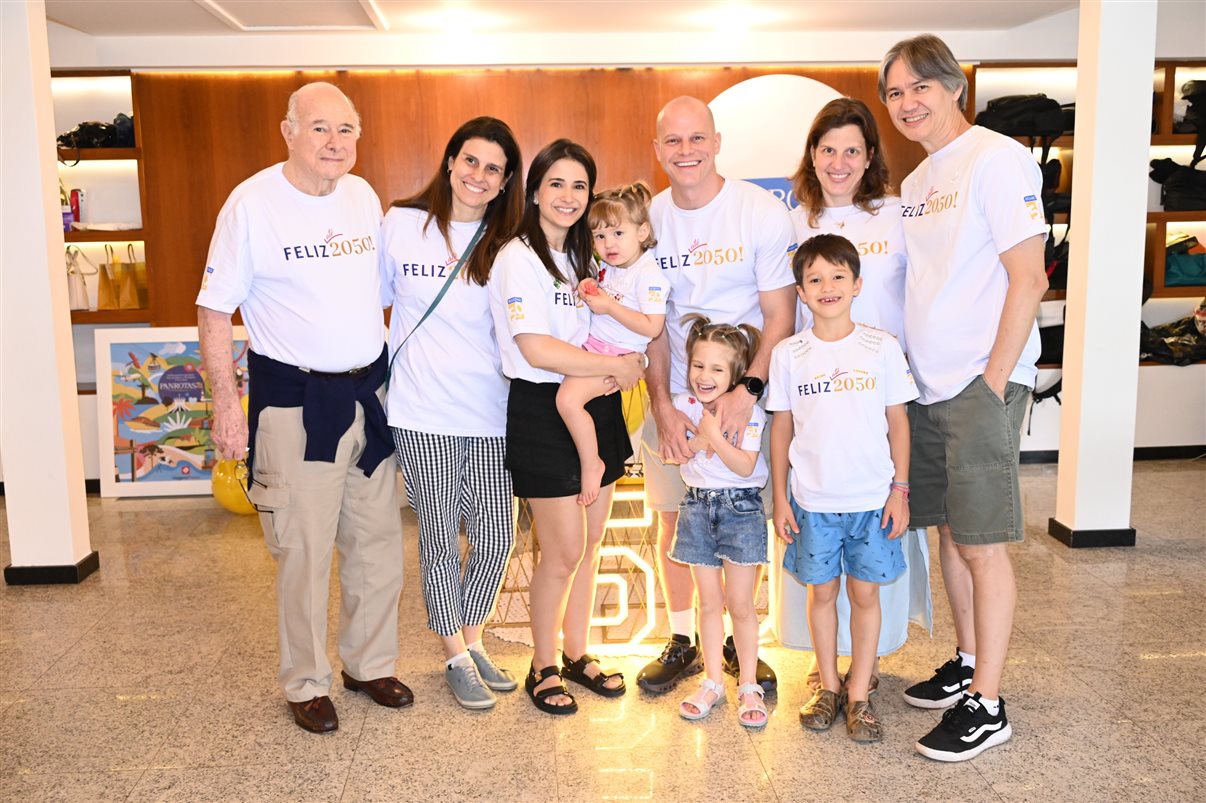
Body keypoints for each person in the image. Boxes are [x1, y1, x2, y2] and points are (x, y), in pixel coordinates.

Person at [197, 82, 411, 734]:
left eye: (346, 130)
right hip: (294, 402)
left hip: (364, 394)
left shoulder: (362, 195)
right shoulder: (252, 204)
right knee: (304, 548)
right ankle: (306, 680)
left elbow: (377, 294)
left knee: (376, 542)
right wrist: (226, 406)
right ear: (287, 129)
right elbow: (213, 309)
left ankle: (368, 663)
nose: (334, 143)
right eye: (320, 128)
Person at [879, 34, 1049, 761]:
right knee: (947, 534)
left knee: (982, 544)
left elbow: (1030, 276)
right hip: (929, 387)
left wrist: (992, 379)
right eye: (893, 93)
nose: (906, 102)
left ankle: (990, 700)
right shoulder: (917, 183)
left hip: (981, 383)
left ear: (955, 89)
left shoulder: (998, 156)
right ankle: (967, 660)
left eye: (920, 86)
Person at [638, 96, 797, 694]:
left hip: (745, 401)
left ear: (717, 141)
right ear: (657, 150)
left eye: (696, 139)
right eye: (673, 142)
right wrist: (661, 405)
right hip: (676, 399)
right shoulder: (649, 220)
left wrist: (748, 391)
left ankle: (736, 644)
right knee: (675, 520)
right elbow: (651, 324)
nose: (686, 152)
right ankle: (684, 639)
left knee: (738, 522)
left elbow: (780, 314)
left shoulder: (758, 211)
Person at [487, 139, 646, 714]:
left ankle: (578, 654)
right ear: (534, 190)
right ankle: (542, 664)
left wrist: (628, 362)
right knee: (561, 551)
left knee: (591, 545)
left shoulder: (590, 256)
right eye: (557, 183)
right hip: (542, 410)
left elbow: (626, 324)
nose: (569, 196)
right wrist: (615, 366)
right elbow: (535, 347)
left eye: (580, 185)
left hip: (596, 405)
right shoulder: (517, 257)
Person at [786, 97, 932, 694]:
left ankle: (868, 671)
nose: (839, 162)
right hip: (818, 403)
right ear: (812, 157)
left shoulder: (897, 214)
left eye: (852, 150)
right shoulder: (792, 220)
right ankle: (824, 673)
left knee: (878, 539)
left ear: (870, 156)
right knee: (818, 545)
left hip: (885, 396)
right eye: (828, 150)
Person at [382, 117, 522, 711]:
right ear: (450, 162)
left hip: (491, 410)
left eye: (493, 168)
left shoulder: (512, 242)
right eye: (470, 161)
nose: (478, 175)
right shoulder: (401, 224)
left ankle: (472, 634)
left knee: (494, 536)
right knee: (440, 536)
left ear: (505, 179)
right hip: (421, 410)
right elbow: (370, 303)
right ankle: (455, 653)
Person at [769, 234, 917, 743]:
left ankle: (859, 692)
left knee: (866, 595)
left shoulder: (881, 347)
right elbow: (782, 428)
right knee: (822, 595)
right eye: (814, 279)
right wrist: (779, 497)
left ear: (857, 283)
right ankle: (828, 684)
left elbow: (898, 423)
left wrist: (900, 489)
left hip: (873, 502)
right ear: (801, 292)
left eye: (837, 277)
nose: (826, 287)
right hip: (813, 502)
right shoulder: (789, 354)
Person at [670, 316, 770, 729]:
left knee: (741, 605)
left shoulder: (751, 412)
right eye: (698, 365)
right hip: (695, 509)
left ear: (735, 374)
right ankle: (712, 680)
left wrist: (709, 436)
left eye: (716, 369)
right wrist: (703, 438)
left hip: (741, 511)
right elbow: (678, 454)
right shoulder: (682, 405)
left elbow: (745, 466)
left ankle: (748, 683)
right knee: (708, 603)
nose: (704, 376)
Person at [556, 181, 666, 507]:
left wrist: (608, 306)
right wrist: (592, 287)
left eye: (618, 234)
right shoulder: (610, 267)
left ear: (642, 232)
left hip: (615, 355)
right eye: (600, 236)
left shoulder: (649, 276)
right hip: (594, 349)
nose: (608, 244)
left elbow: (653, 326)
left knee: (567, 401)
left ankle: (593, 464)